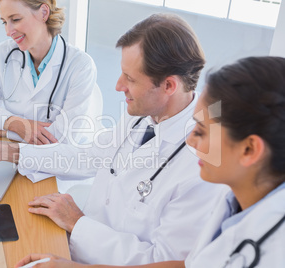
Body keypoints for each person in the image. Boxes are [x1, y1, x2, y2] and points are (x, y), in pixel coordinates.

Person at [0, 13, 225, 265]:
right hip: (75, 239)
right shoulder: (145, 113)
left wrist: (78, 223)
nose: (118, 86)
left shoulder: (204, 165)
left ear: (169, 86)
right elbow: (89, 157)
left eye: (130, 79)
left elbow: (162, 262)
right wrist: (8, 151)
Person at [16, 56, 285, 268]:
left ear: (249, 149)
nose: (190, 141)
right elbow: (187, 265)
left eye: (201, 132)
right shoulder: (233, 203)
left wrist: (79, 228)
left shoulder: (272, 246)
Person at [0, 0, 103, 145]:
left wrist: (1, 131)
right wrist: (15, 123)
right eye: (4, 22)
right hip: (10, 154)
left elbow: (64, 139)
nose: (8, 31)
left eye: (16, 19)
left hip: (54, 163)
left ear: (44, 12)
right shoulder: (4, 53)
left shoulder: (81, 66)